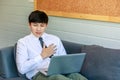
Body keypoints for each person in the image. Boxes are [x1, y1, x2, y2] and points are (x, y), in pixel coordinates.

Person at [16, 10, 87, 80]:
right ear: (29, 24)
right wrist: (42, 56)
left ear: (46, 25)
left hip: (59, 70)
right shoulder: (23, 42)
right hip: (38, 73)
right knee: (58, 78)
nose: (38, 29)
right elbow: (22, 69)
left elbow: (64, 59)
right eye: (35, 25)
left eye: (42, 25)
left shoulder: (55, 39)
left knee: (77, 76)